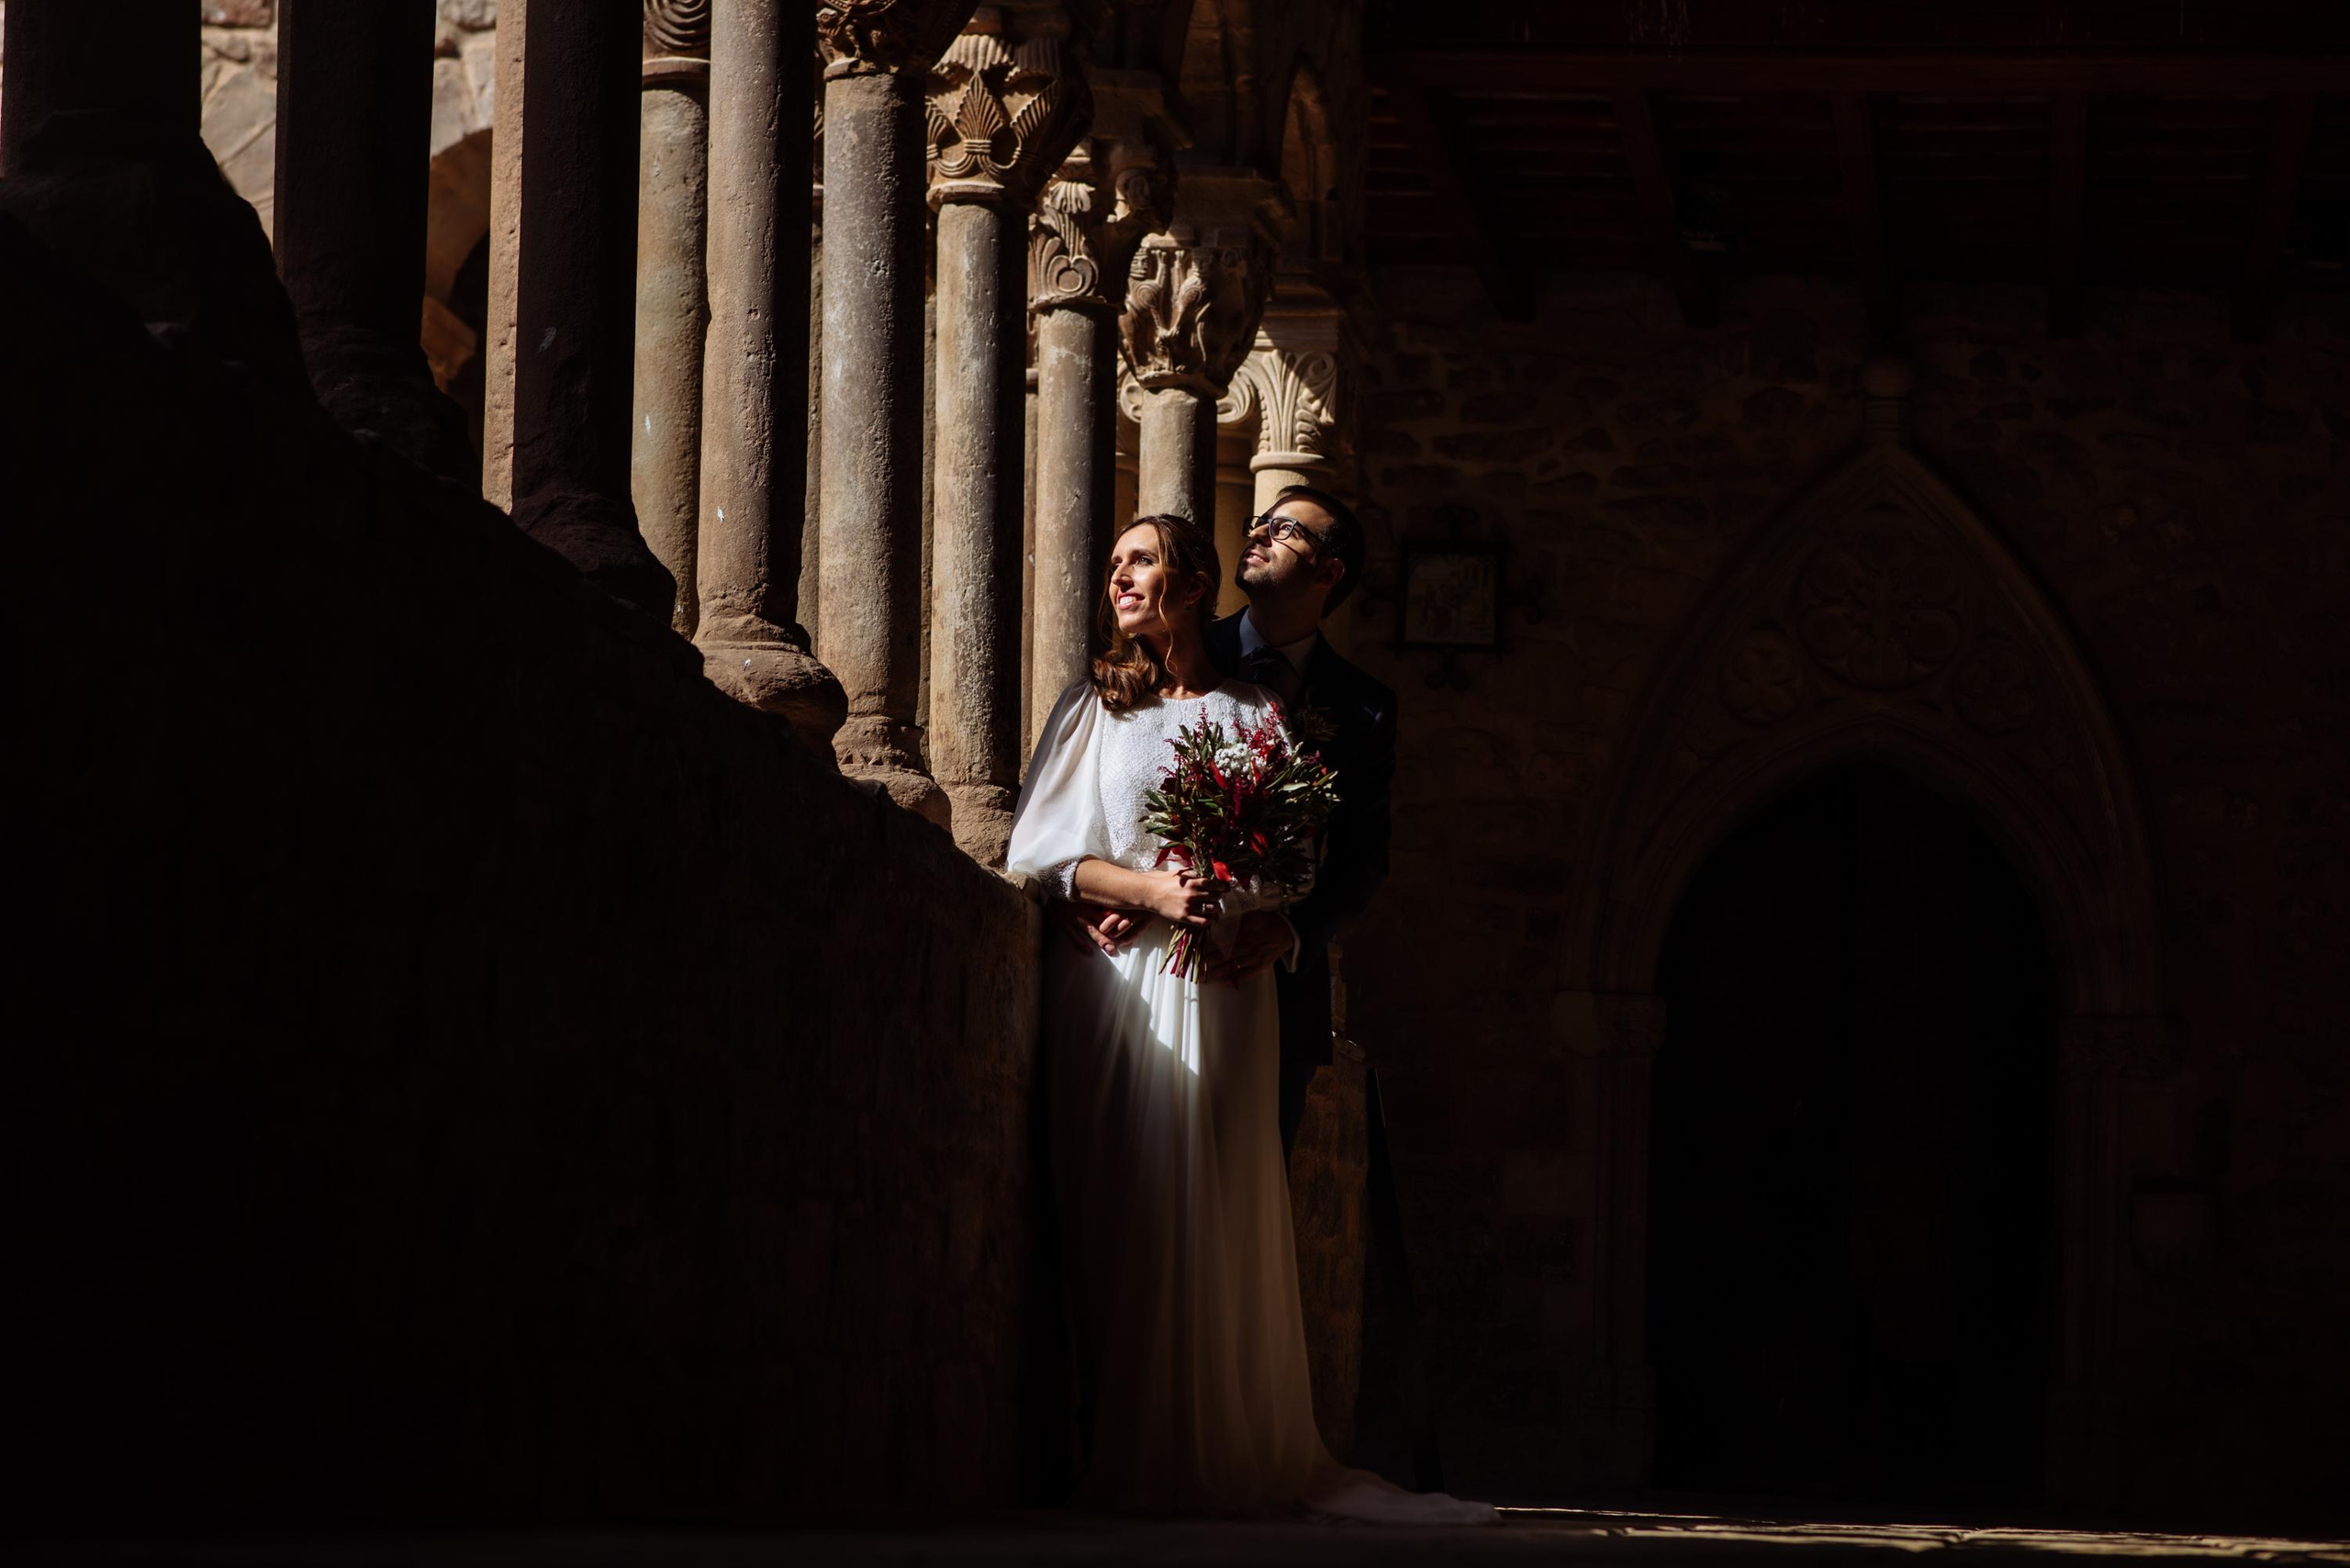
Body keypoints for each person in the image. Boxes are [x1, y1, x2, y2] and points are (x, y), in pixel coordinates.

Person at [1009, 512, 1487, 1521]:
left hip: (1230, 992)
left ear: (1190, 579)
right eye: (1111, 566)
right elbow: (1040, 849)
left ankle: (1214, 1443)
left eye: (1139, 561)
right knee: (1123, 1205)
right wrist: (1146, 892)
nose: (1119, 580)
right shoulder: (1097, 702)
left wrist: (1259, 913)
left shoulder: (1264, 713)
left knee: (1220, 1212)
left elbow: (1315, 862)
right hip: (1122, 981)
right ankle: (1121, 1444)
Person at [1068, 485, 1393, 1161]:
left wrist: (1290, 929)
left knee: (1238, 1195)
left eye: (1284, 529)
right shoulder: (1166, 648)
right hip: (1139, 968)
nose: (1258, 533)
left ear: (1329, 573)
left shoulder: (1364, 709)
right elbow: (1099, 787)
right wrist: (1120, 888)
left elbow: (1361, 856)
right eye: (1257, 521)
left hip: (1266, 986)